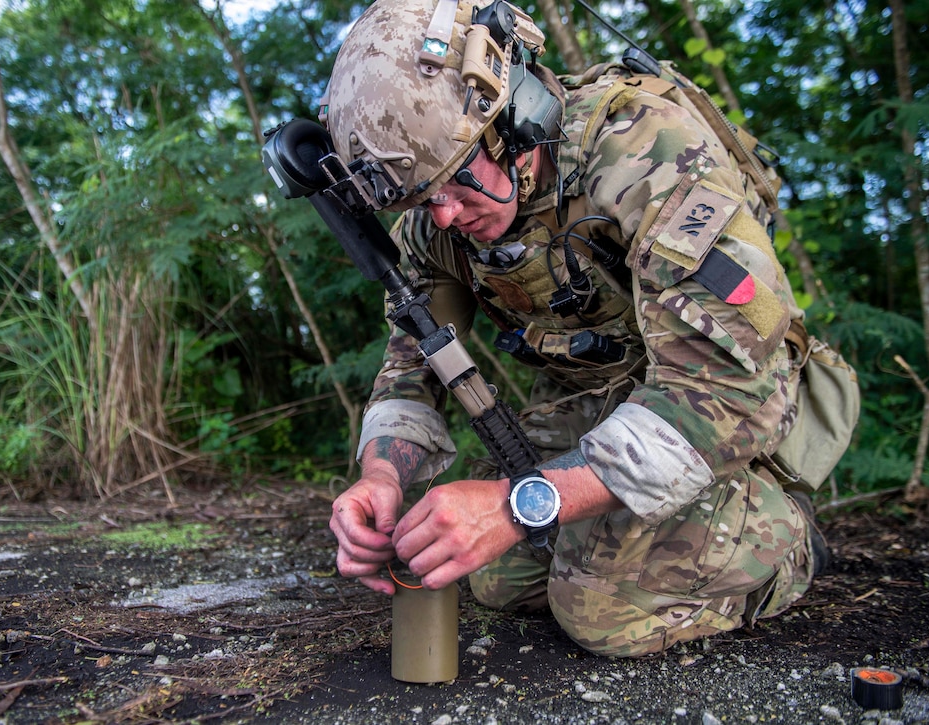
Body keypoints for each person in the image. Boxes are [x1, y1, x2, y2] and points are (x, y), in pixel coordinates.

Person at [322, 0, 829, 657]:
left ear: (511, 115)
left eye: (452, 183)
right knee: (496, 577)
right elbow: (412, 365)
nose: (442, 216)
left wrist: (514, 505)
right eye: (420, 199)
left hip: (720, 415)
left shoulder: (643, 148)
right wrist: (381, 476)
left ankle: (783, 534)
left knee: (599, 612)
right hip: (599, 413)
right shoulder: (437, 222)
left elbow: (733, 385)